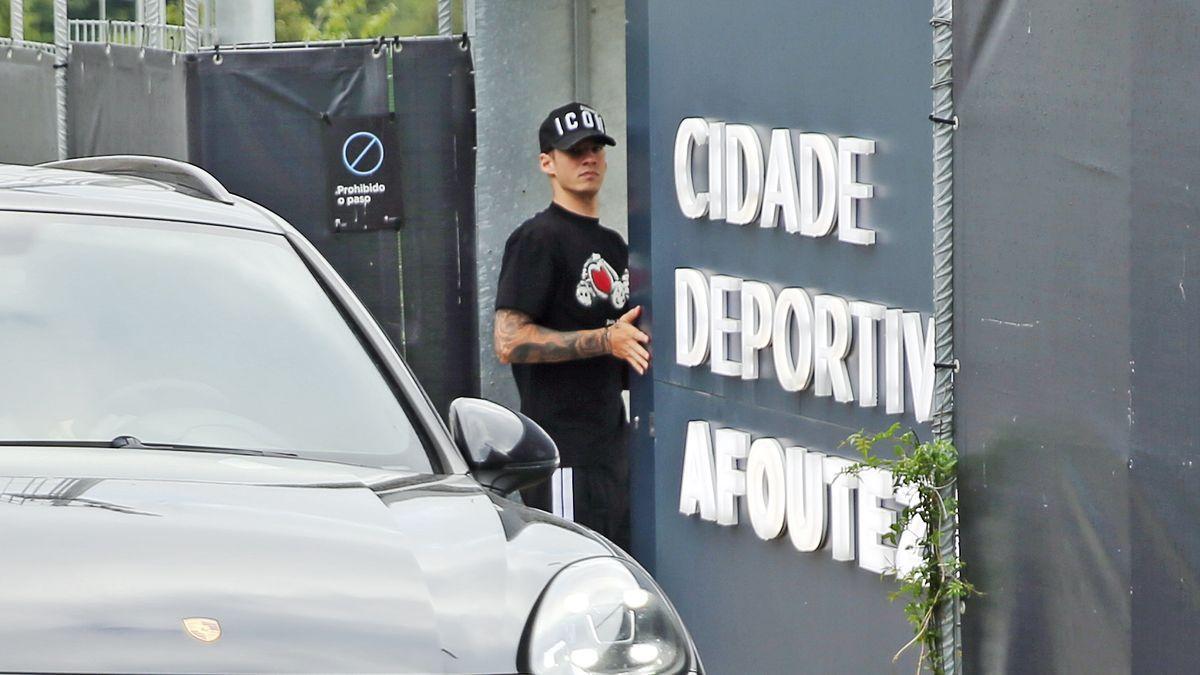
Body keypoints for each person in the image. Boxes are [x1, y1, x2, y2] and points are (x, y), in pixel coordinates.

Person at [492, 102, 650, 551]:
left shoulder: (614, 245)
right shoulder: (537, 239)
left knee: (618, 573)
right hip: (563, 452)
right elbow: (509, 341)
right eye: (574, 151)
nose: (588, 160)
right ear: (548, 162)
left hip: (612, 447)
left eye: (596, 149)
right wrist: (606, 340)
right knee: (571, 567)